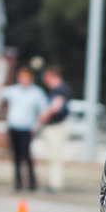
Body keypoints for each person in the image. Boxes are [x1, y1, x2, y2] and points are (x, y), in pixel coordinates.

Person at [1, 63, 48, 193]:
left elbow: (44, 110)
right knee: (16, 156)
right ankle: (18, 182)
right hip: (14, 127)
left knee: (26, 155)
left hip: (27, 128)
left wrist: (37, 125)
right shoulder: (13, 90)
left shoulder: (36, 93)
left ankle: (32, 182)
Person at [38, 63, 72, 192]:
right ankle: (53, 182)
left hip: (56, 126)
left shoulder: (60, 89)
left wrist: (42, 117)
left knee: (55, 156)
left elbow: (55, 107)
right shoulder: (56, 89)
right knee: (52, 156)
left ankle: (55, 184)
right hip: (53, 126)